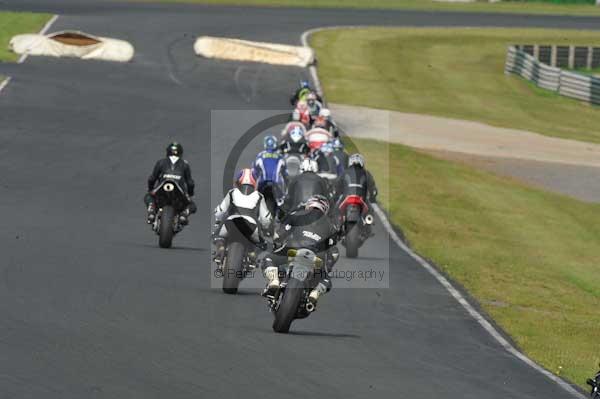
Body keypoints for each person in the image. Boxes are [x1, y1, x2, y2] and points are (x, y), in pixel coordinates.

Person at [261, 195, 339, 308]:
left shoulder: (297, 214)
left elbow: (279, 235)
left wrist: (276, 243)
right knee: (326, 278)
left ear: (309, 205)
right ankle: (315, 294)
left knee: (268, 258)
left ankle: (274, 281)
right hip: (316, 256)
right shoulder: (331, 225)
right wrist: (328, 264)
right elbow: (332, 250)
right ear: (325, 209)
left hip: (293, 250)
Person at [212, 168, 272, 266]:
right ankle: (252, 254)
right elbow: (265, 219)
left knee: (217, 236)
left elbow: (220, 211)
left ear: (238, 181)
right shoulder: (259, 196)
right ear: (255, 183)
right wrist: (266, 228)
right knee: (262, 244)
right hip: (251, 226)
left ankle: (221, 248)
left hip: (231, 223)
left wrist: (218, 221)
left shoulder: (232, 192)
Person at [145, 142, 196, 224]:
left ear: (168, 152)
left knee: (148, 197)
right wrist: (190, 194)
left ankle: (151, 210)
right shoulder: (185, 164)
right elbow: (190, 183)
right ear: (180, 153)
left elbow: (152, 178)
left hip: (162, 187)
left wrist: (150, 189)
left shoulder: (160, 162)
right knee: (192, 205)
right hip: (179, 190)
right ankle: (184, 214)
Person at [253, 135, 287, 208]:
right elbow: (285, 172)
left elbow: (254, 170)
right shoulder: (280, 156)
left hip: (262, 182)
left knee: (256, 201)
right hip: (277, 183)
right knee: (283, 202)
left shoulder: (260, 155)